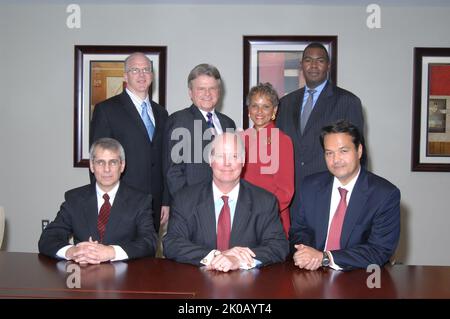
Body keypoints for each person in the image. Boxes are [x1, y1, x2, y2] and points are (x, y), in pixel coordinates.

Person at [163, 133, 289, 272]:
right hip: (198, 285)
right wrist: (215, 256)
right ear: (210, 160)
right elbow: (172, 243)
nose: (227, 163)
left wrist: (238, 259)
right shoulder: (185, 199)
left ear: (243, 161)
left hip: (247, 288)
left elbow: (279, 246)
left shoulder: (265, 201)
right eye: (220, 156)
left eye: (234, 156)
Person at [290, 120, 400, 271]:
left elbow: (379, 250)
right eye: (329, 153)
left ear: (359, 151)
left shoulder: (384, 195)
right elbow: (298, 230)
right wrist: (303, 250)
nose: (336, 160)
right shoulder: (309, 186)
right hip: (313, 273)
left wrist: (325, 257)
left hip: (360, 277)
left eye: (343, 151)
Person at [276, 42, 365, 214]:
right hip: (290, 198)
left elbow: (358, 153)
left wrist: (356, 198)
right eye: (308, 60)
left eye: (320, 60)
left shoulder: (347, 101)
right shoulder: (286, 103)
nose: (314, 65)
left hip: (330, 194)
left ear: (328, 65)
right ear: (301, 65)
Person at [39, 138, 157, 264]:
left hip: (125, 277)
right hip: (82, 275)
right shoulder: (75, 199)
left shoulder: (140, 201)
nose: (107, 169)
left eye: (113, 162)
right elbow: (48, 238)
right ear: (91, 165)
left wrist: (111, 252)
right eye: (100, 162)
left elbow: (149, 242)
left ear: (122, 166)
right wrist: (72, 252)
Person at [90, 52, 169, 233]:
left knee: (148, 257)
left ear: (152, 75)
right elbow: (97, 159)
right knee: (117, 257)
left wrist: (166, 200)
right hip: (120, 201)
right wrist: (103, 200)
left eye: (146, 70)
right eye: (135, 70)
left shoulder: (161, 113)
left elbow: (165, 160)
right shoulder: (107, 110)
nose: (141, 75)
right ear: (125, 76)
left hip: (154, 204)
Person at [164, 63, 236, 199]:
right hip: (191, 206)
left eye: (212, 88)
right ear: (190, 93)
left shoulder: (228, 123)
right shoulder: (179, 121)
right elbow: (173, 171)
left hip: (224, 203)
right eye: (201, 89)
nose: (207, 94)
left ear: (219, 91)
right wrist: (187, 205)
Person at [241, 83, 294, 238]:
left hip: (271, 220)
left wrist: (258, 214)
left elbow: (285, 192)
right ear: (248, 110)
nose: (259, 112)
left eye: (266, 106)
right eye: (254, 106)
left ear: (274, 110)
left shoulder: (283, 141)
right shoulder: (239, 139)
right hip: (241, 220)